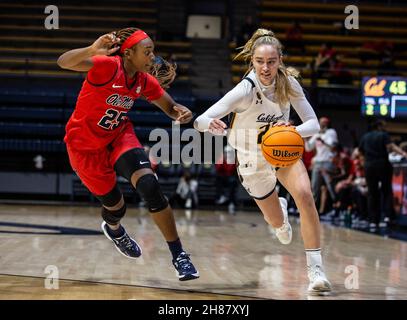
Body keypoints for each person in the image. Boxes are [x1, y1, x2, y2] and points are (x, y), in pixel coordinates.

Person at [194, 28, 332, 295]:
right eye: (260, 62)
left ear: (280, 60)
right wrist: (209, 124)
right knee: (277, 223)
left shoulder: (289, 84)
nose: (265, 67)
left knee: (305, 196)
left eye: (271, 61)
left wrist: (288, 132)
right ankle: (279, 215)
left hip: (281, 151)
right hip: (250, 157)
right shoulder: (244, 89)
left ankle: (316, 270)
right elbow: (200, 120)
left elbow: (314, 124)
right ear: (252, 62)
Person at [57, 27, 199, 281]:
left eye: (153, 51)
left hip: (118, 137)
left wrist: (180, 112)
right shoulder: (108, 67)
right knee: (115, 207)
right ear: (129, 53)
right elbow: (63, 62)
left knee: (149, 185)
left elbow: (170, 107)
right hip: (85, 148)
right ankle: (114, 230)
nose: (153, 57)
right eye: (147, 51)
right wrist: (91, 50)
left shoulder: (143, 80)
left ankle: (180, 255)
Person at [359, 120, 407, 231]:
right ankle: (387, 217)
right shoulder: (383, 135)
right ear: (379, 126)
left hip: (369, 166)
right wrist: (404, 153)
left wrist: (364, 162)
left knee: (372, 192)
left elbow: (359, 151)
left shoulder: (365, 136)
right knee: (386, 191)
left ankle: (373, 221)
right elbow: (391, 146)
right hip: (382, 164)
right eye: (383, 125)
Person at [305, 117, 338, 211]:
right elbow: (308, 148)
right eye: (321, 122)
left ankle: (336, 208)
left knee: (330, 186)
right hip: (318, 163)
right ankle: (313, 211)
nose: (322, 124)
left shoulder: (331, 132)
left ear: (328, 123)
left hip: (327, 162)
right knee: (314, 187)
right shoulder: (316, 134)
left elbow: (333, 147)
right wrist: (306, 139)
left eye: (324, 122)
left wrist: (323, 141)